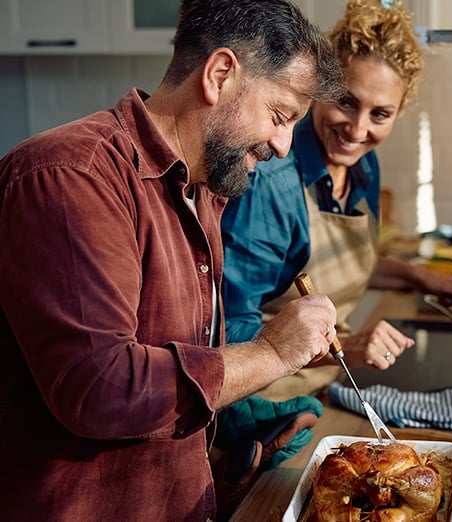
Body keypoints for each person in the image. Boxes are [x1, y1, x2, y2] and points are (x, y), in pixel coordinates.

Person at [0, 1, 346, 520]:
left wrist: (229, 422)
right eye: (280, 116)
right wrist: (270, 353)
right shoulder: (71, 177)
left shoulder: (200, 192)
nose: (282, 144)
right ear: (221, 74)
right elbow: (101, 388)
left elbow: (170, 369)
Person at [220, 0, 452, 403]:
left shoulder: (363, 166)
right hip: (262, 401)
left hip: (328, 385)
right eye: (345, 101)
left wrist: (418, 277)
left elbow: (326, 267)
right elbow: (228, 333)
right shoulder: (271, 183)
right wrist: (350, 348)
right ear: (322, 87)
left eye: (380, 114)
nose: (357, 130)